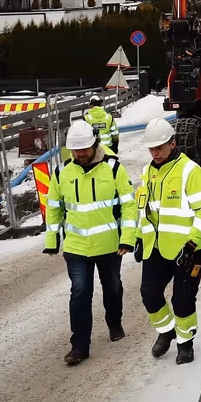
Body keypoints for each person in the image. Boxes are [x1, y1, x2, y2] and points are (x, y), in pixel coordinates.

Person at [43, 120, 137, 365]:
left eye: (84, 149)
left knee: (113, 288)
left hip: (110, 246)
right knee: (80, 292)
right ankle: (79, 346)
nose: (80, 154)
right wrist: (52, 240)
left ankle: (114, 322)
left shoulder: (114, 169)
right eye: (75, 150)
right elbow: (54, 208)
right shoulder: (62, 172)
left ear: (95, 143)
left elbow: (129, 206)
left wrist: (128, 239)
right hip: (76, 247)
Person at [132, 117, 201, 365]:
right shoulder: (148, 172)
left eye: (159, 148)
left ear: (172, 144)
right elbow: (146, 210)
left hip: (185, 250)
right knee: (149, 293)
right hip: (155, 248)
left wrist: (191, 244)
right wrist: (138, 237)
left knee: (183, 299)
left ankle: (185, 343)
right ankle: (166, 332)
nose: (154, 153)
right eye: (151, 148)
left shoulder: (190, 170)